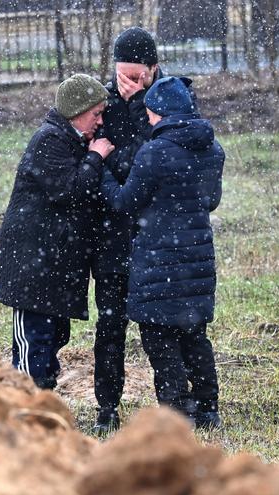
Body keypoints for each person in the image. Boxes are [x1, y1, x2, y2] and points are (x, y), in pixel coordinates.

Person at [100, 76, 225, 429]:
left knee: (159, 337)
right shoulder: (212, 149)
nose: (149, 121)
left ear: (160, 113)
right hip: (197, 259)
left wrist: (104, 172)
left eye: (151, 115)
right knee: (194, 336)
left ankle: (176, 409)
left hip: (159, 258)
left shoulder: (154, 152)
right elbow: (210, 200)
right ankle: (208, 409)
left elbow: (125, 202)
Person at [0, 74, 115, 390]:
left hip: (52, 263)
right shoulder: (49, 140)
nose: (100, 122)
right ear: (76, 111)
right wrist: (95, 157)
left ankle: (42, 398)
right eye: (96, 114)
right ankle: (28, 403)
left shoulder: (70, 140)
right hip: (33, 264)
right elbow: (71, 192)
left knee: (54, 334)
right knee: (35, 338)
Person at [90, 26, 164, 434]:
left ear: (154, 68)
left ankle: (175, 405)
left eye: (138, 76)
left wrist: (138, 105)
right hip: (112, 236)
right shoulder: (103, 104)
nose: (129, 84)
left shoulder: (170, 101)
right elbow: (101, 158)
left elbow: (151, 161)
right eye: (123, 76)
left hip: (155, 239)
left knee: (161, 327)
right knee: (110, 326)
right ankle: (107, 408)